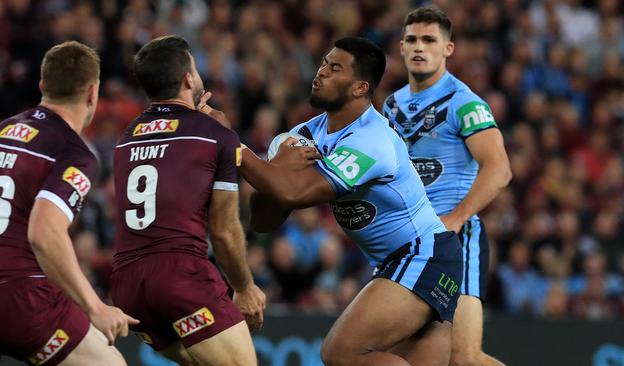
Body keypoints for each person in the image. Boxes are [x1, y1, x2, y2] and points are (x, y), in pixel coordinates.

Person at [233, 36, 463, 366]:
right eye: (324, 62)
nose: (321, 71)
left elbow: (294, 193)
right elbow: (264, 220)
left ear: (359, 88)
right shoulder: (305, 135)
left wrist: (233, 147)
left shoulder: (373, 139)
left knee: (340, 352)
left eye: (335, 67)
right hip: (403, 263)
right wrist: (276, 175)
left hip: (423, 256)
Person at [109, 35, 265, 366]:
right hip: (181, 276)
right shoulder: (213, 134)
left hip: (128, 286)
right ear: (188, 78)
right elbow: (222, 230)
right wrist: (245, 287)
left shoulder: (126, 137)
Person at [383, 8, 511, 366]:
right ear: (401, 47)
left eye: (429, 40)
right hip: (408, 243)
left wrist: (455, 218)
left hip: (456, 238)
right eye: (412, 40)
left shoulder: (464, 102)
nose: (419, 47)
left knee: (464, 358)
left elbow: (499, 170)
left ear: (448, 49)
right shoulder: (391, 106)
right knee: (403, 352)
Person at [0, 41, 136, 366]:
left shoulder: (4, 129)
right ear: (93, 93)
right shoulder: (74, 152)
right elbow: (44, 234)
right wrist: (95, 306)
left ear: (42, 86)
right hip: (20, 295)